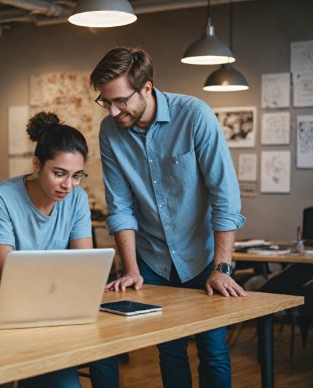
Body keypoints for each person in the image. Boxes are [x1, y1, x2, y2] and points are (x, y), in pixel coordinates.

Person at [90, 46, 247, 388]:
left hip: (202, 257)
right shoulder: (109, 132)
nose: (114, 111)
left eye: (121, 100)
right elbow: (120, 208)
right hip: (152, 261)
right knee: (169, 351)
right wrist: (131, 269)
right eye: (106, 102)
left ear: (146, 87)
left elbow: (225, 196)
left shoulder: (194, 115)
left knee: (214, 349)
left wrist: (222, 267)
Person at [0, 111, 119, 388]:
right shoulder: (3, 197)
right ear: (37, 164)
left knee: (104, 356)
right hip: (13, 308)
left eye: (76, 176)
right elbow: (4, 272)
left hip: (61, 305)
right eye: (59, 173)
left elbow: (85, 267)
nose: (68, 185)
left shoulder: (77, 199)